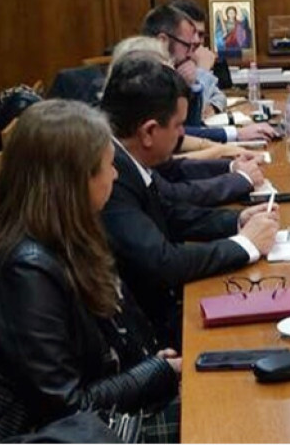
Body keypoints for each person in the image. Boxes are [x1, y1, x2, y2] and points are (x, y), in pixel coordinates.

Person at [0, 100, 180, 442]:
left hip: (106, 415)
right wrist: (154, 373)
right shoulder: (23, 271)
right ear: (74, 182)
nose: (116, 175)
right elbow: (66, 409)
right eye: (109, 166)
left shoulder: (69, 234)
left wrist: (154, 368)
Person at [100, 55, 279, 347]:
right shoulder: (111, 175)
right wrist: (244, 244)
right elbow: (162, 263)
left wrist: (237, 221)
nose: (184, 134)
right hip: (153, 333)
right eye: (179, 125)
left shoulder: (128, 158)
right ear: (149, 132)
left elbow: (170, 213)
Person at [108, 36, 266, 207]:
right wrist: (239, 177)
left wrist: (232, 166)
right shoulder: (113, 162)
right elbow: (172, 196)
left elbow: (173, 167)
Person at [141, 4, 277, 142]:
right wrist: (235, 134)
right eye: (188, 45)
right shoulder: (145, 77)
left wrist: (194, 85)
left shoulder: (170, 69)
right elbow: (178, 135)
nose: (192, 53)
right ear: (162, 41)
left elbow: (192, 126)